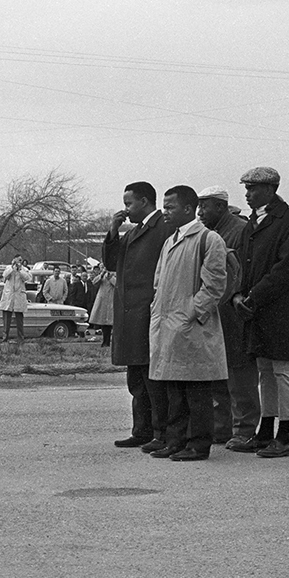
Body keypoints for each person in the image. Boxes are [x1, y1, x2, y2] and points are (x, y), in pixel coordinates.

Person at [145, 186, 228, 461]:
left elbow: (214, 285)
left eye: (170, 207)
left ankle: (199, 444)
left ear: (188, 209)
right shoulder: (171, 240)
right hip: (168, 325)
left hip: (190, 327)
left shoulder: (208, 239)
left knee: (196, 389)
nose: (165, 212)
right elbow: (159, 281)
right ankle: (176, 440)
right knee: (174, 389)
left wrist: (189, 314)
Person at [229, 166, 289, 458]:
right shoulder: (253, 222)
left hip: (278, 309)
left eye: (252, 189)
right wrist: (237, 295)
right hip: (255, 308)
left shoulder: (288, 221)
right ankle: (265, 430)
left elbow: (286, 269)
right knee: (264, 370)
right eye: (246, 188)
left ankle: (283, 436)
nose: (247, 194)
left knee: (282, 371)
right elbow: (245, 265)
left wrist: (253, 296)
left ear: (271, 189)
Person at [103, 181, 171, 448]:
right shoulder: (133, 233)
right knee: (137, 378)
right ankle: (141, 430)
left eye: (129, 203)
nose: (126, 209)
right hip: (130, 314)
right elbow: (111, 263)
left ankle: (160, 432)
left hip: (149, 312)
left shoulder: (163, 229)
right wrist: (112, 232)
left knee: (153, 378)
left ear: (144, 201)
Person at [197, 186, 255, 446]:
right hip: (215, 312)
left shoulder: (240, 231)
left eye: (204, 206)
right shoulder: (210, 233)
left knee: (238, 373)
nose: (200, 212)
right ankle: (222, 427)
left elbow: (240, 273)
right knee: (218, 372)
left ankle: (244, 428)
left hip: (233, 312)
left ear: (220, 206)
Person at [0, 255, 30, 342]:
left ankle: (20, 337)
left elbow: (27, 278)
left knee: (19, 319)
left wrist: (20, 270)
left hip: (19, 296)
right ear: (13, 260)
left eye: (20, 260)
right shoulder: (8, 268)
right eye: (18, 260)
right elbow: (5, 275)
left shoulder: (24, 269)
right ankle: (5, 337)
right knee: (6, 318)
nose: (19, 262)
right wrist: (13, 268)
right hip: (9, 296)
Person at [88, 264, 116, 347]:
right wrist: (101, 275)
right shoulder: (101, 275)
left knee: (110, 322)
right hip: (102, 300)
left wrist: (110, 278)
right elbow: (94, 282)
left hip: (111, 300)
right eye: (102, 267)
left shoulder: (113, 274)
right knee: (103, 322)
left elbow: (117, 284)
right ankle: (105, 341)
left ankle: (109, 341)